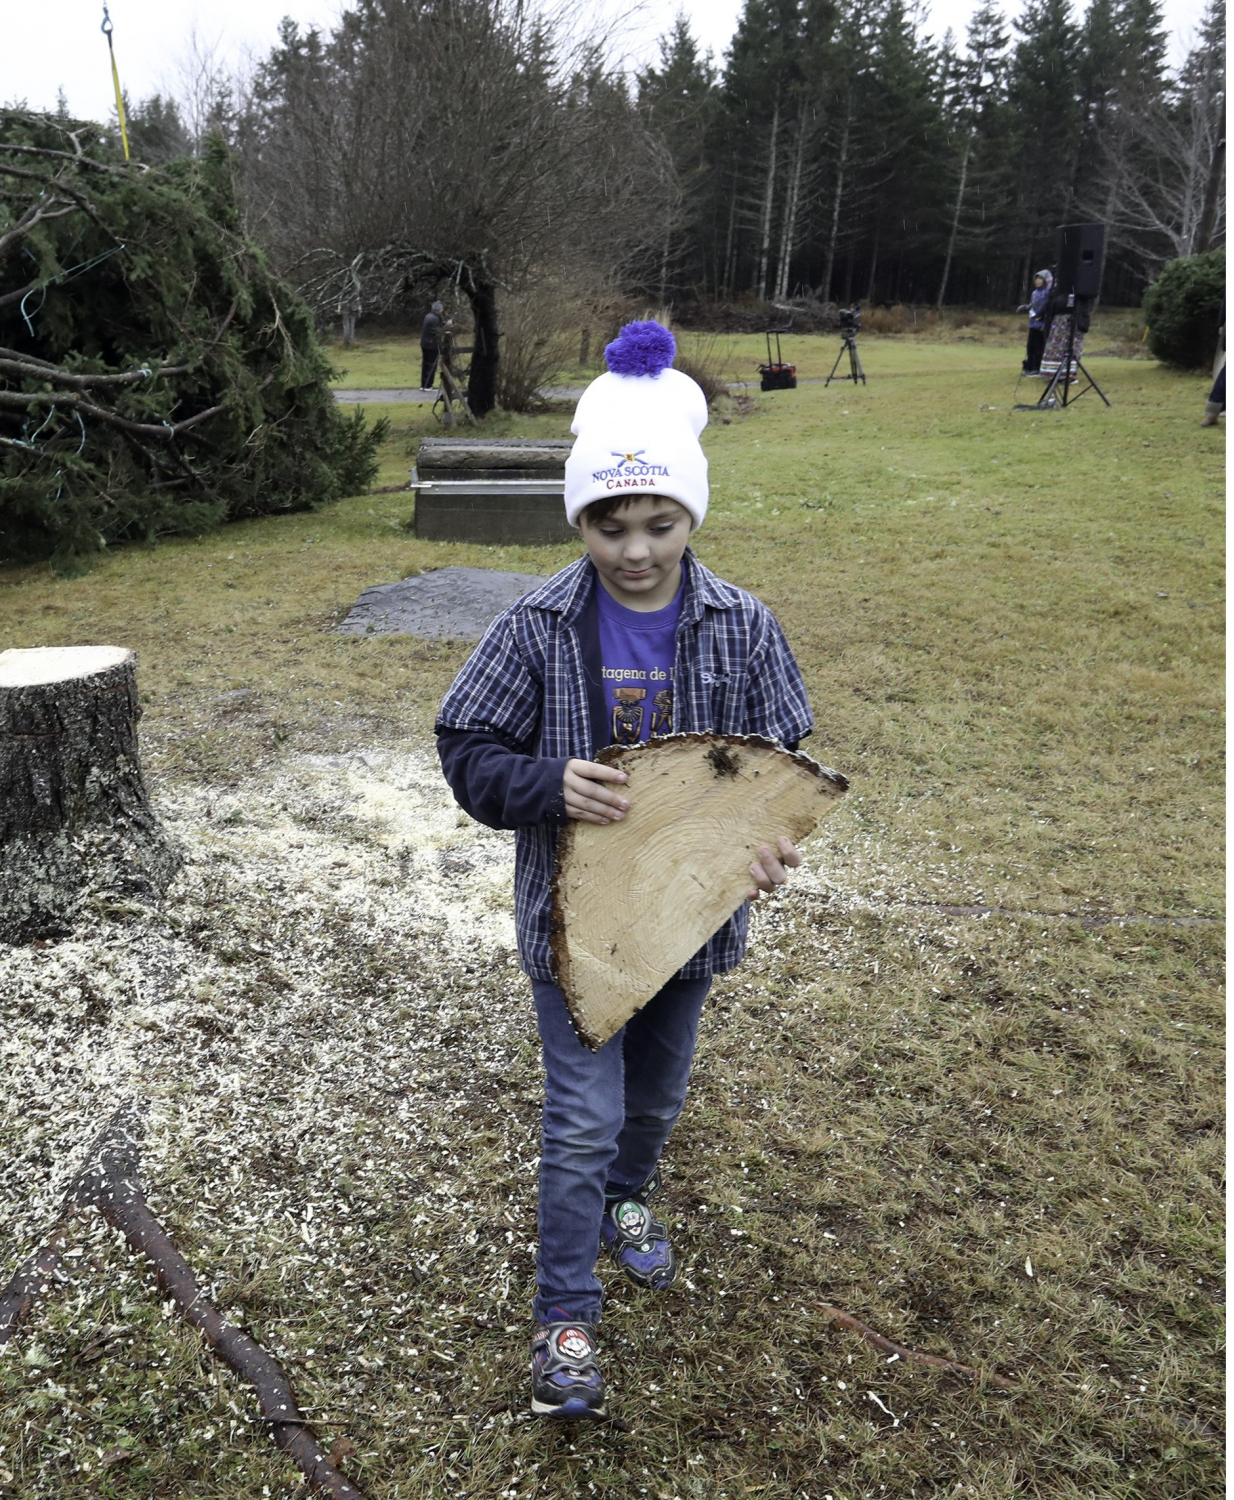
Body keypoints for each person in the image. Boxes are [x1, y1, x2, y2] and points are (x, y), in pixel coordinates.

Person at [433, 319, 814, 1422]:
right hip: (577, 926)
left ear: (688, 514)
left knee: (651, 1100)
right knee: (581, 1116)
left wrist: (768, 843)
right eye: (609, 523)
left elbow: (784, 764)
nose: (635, 548)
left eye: (657, 522)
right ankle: (563, 1315)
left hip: (689, 921)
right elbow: (465, 747)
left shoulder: (742, 626)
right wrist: (545, 783)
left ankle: (630, 1202)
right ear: (581, 519)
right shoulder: (537, 623)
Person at [1019, 269, 1053, 374]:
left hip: (1042, 324)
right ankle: (1029, 365)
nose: (1037, 281)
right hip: (1033, 323)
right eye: (1036, 278)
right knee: (1030, 346)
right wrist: (1026, 308)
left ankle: (1037, 367)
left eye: (1040, 279)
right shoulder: (1034, 293)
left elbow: (1049, 307)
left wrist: (1043, 318)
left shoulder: (1048, 292)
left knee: (1039, 347)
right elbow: (1033, 306)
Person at [420, 300, 446, 390]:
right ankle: (428, 385)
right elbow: (440, 331)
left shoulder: (428, 316)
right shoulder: (435, 319)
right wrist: (448, 325)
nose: (442, 312)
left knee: (425, 364)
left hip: (425, 344)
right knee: (432, 365)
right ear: (438, 310)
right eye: (441, 310)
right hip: (432, 345)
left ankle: (424, 384)